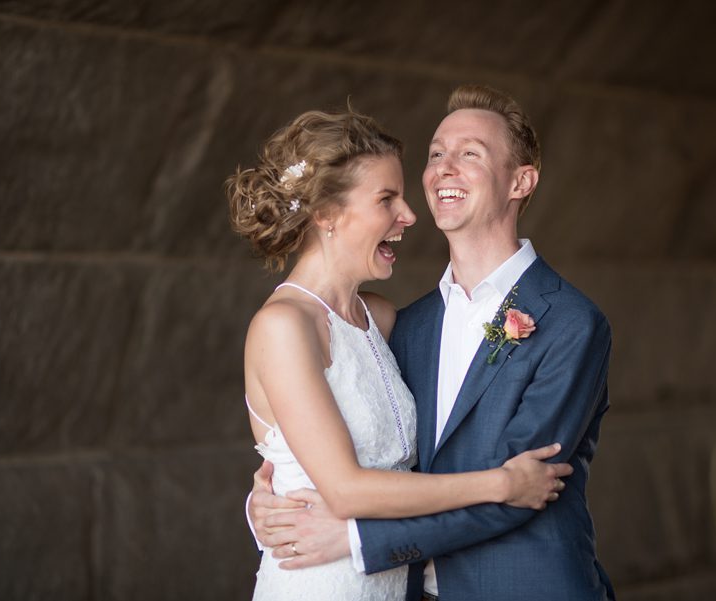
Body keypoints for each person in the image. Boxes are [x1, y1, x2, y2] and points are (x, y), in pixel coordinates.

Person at [251, 85, 616, 601]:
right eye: (437, 154)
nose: (444, 167)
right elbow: (364, 455)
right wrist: (267, 498)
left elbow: (523, 489)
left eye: (470, 154)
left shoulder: (572, 323)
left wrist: (356, 540)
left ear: (521, 181)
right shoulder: (407, 325)